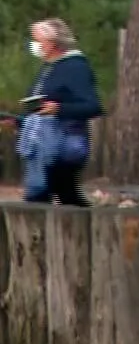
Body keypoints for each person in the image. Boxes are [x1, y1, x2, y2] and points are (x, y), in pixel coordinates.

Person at [19, 19, 102, 206]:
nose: (34, 45)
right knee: (49, 194)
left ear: (52, 43)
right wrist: (20, 121)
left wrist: (60, 109)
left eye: (38, 41)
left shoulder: (75, 67)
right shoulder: (49, 67)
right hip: (41, 142)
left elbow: (92, 106)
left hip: (64, 144)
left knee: (61, 194)